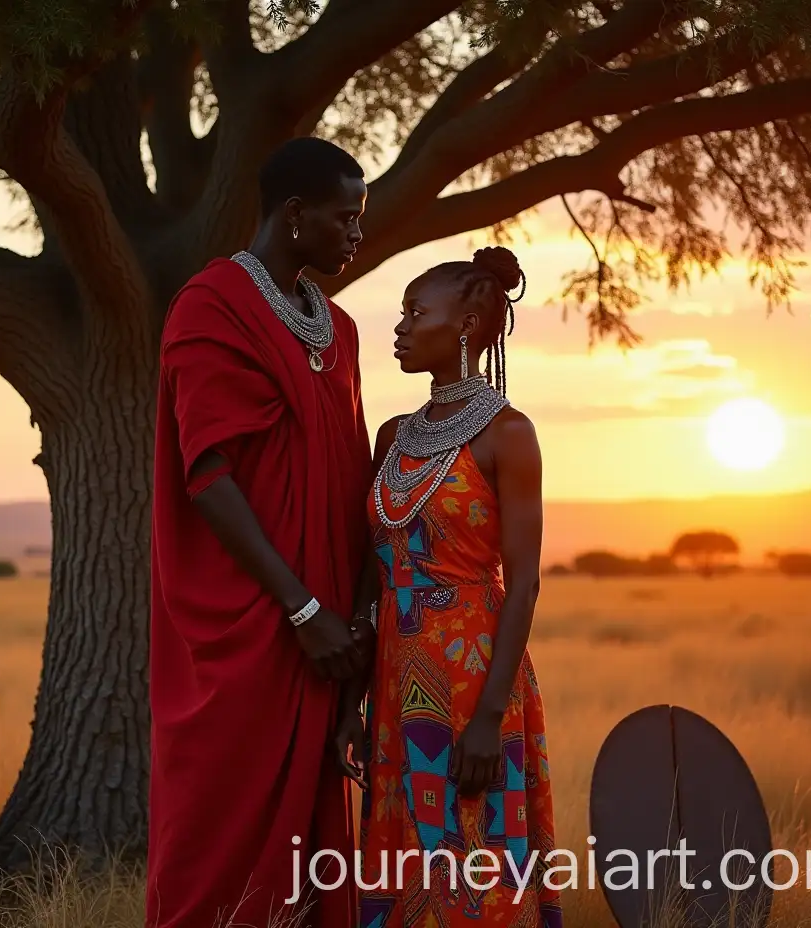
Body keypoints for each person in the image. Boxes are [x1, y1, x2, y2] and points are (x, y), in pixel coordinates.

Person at [147, 136, 380, 928]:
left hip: (329, 638)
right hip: (252, 622)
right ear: (293, 216)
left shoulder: (340, 330)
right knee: (216, 833)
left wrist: (350, 624)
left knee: (313, 857)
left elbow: (348, 479)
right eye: (345, 219)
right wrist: (302, 610)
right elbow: (207, 477)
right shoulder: (209, 306)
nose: (356, 236)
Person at [344, 247, 563, 927]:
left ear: (468, 323)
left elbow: (523, 584)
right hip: (393, 676)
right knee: (400, 858)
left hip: (474, 683)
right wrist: (349, 702)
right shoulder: (391, 438)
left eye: (416, 312)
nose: (401, 327)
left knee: (472, 863)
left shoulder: (508, 435)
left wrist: (491, 720)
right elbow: (367, 579)